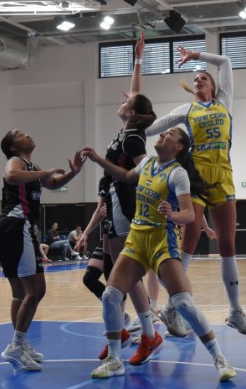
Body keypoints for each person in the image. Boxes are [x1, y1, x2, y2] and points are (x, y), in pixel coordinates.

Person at [83, 128, 237, 381]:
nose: (164, 133)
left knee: (183, 303)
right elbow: (125, 175)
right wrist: (99, 159)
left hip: (161, 241)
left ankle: (220, 359)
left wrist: (172, 214)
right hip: (136, 238)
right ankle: (115, 359)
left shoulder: (178, 174)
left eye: (171, 133)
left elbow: (189, 214)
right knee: (110, 296)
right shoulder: (147, 163)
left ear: (178, 147)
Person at [143, 45, 246, 335]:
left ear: (214, 86)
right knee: (189, 241)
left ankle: (235, 311)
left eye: (203, 78)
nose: (198, 81)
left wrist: (196, 56)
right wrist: (132, 122)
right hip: (195, 178)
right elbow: (152, 128)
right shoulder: (186, 110)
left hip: (223, 177)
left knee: (228, 245)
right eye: (195, 80)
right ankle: (171, 307)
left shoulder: (224, 102)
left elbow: (226, 61)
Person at [77, 42, 159, 346]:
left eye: (128, 101)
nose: (123, 100)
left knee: (126, 273)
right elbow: (136, 92)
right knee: (120, 273)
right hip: (113, 203)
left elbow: (145, 172)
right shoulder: (126, 131)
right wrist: (138, 58)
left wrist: (99, 160)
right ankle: (132, 330)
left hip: (125, 204)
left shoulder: (133, 139)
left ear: (132, 112)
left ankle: (146, 331)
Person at [0, 129, 84, 371]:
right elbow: (11, 175)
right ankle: (16, 346)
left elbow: (53, 183)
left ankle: (20, 344)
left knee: (21, 293)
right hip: (16, 224)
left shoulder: (31, 166)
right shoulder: (16, 161)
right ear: (13, 146)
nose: (28, 134)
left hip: (15, 227)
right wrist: (45, 172)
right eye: (20, 134)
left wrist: (74, 172)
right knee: (34, 291)